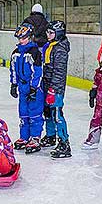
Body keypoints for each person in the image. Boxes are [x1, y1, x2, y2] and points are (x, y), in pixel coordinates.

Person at [9, 23, 44, 154]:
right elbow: (13, 70)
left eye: (23, 38)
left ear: (30, 37)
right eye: (19, 39)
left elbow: (38, 72)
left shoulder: (34, 52)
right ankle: (24, 137)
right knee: (23, 113)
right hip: (22, 87)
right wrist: (13, 84)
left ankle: (35, 137)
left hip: (34, 88)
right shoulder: (16, 53)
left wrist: (34, 88)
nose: (21, 41)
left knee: (34, 113)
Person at [40, 20, 72, 159]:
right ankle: (51, 135)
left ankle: (64, 143)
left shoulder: (60, 49)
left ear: (58, 34)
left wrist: (53, 89)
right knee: (48, 112)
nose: (48, 35)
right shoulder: (51, 46)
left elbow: (59, 72)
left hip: (56, 88)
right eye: (47, 32)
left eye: (51, 32)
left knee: (57, 113)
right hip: (47, 84)